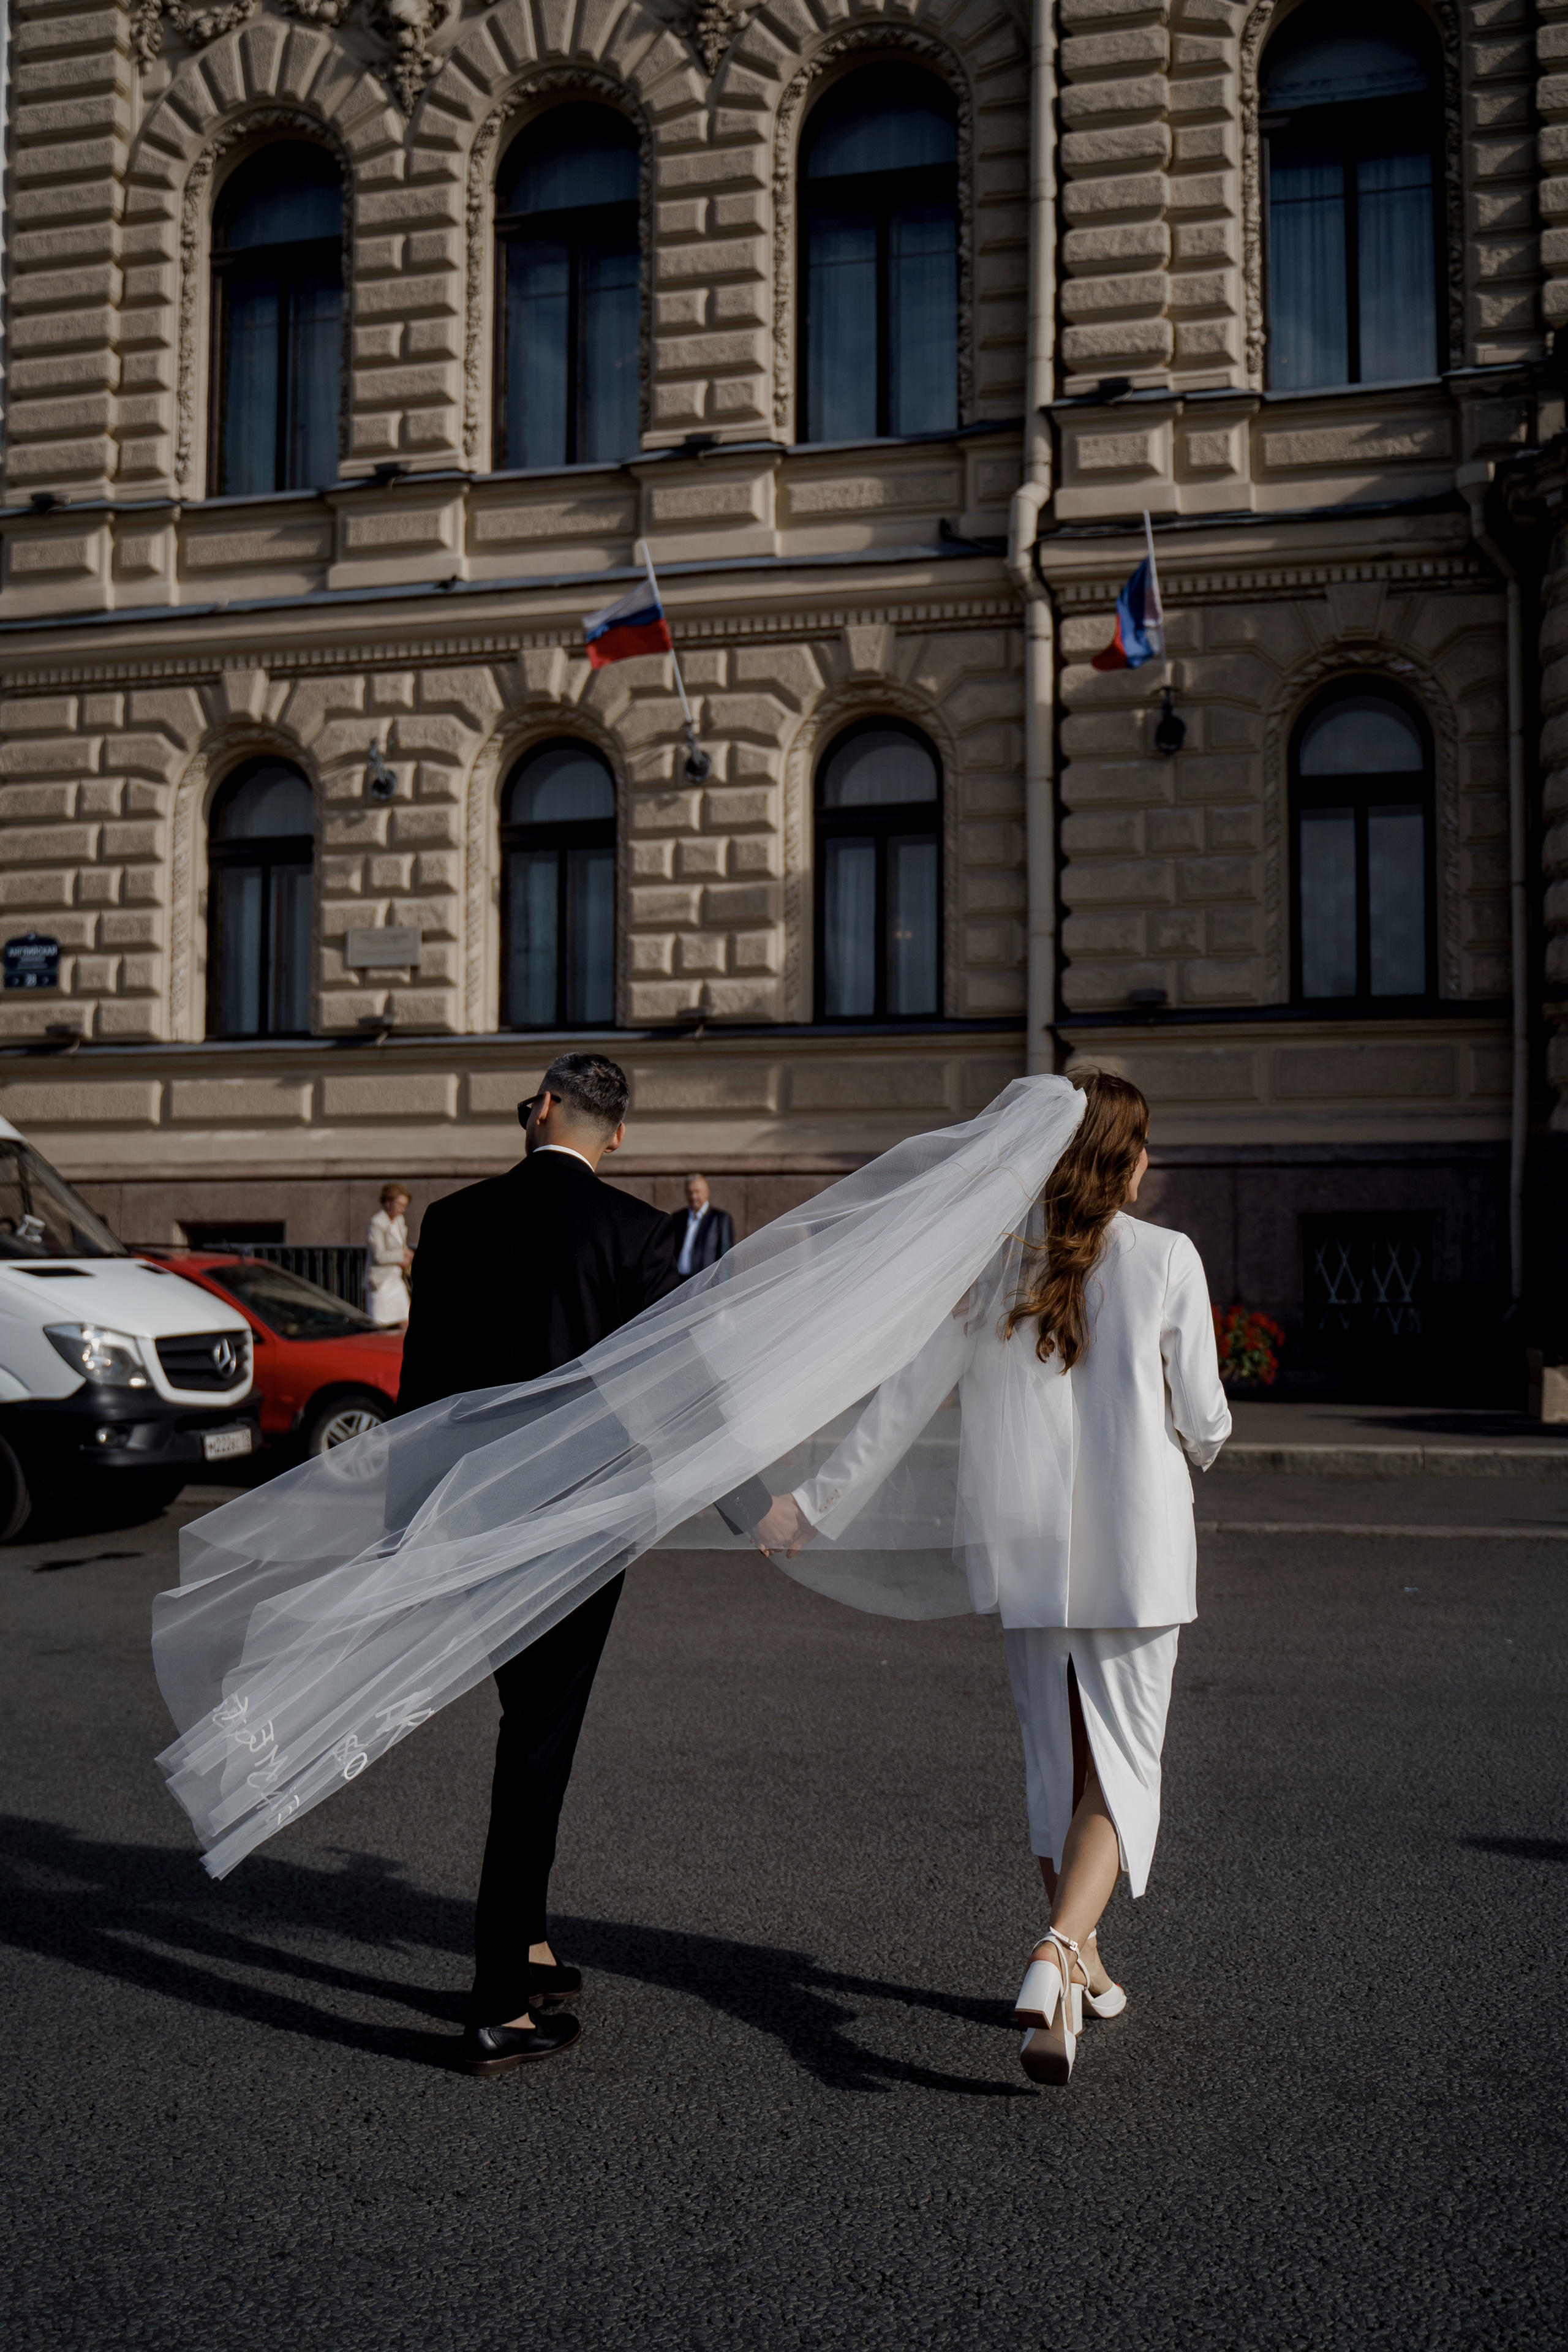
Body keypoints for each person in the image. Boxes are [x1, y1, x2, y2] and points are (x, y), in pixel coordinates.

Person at [751, 1071, 1231, 2088]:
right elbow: (1205, 1414)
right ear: (1122, 1159)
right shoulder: (1166, 1258)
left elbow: (902, 1400)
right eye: (1142, 1145)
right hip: (1138, 1559)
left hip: (1029, 1559)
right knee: (1122, 1773)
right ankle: (1058, 1953)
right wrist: (1193, 1436)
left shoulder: (994, 1271)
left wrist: (816, 1503)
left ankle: (1074, 1983)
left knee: (1054, 1768)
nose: (1150, 1162)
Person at [396, 1053, 680, 2077]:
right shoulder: (639, 1233)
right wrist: (758, 1500)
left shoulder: (457, 1219)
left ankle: (525, 1941)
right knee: (537, 1747)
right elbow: (679, 1388)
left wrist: (402, 1529)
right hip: (583, 1524)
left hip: (475, 1518)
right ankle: (495, 2007)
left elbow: (422, 1385)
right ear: (619, 1137)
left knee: (531, 1733)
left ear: (547, 1107)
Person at [669, 1173, 734, 1281]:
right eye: (690, 1192)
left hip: (705, 1284)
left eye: (697, 1192)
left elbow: (726, 1258)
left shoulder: (720, 1219)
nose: (694, 1197)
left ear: (707, 1192)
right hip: (678, 1283)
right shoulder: (677, 1218)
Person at [364, 1185, 413, 1327]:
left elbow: (400, 1245)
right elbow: (378, 1256)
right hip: (381, 1282)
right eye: (399, 1204)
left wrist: (406, 1254)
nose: (402, 1209)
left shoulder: (399, 1221)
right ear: (388, 1202)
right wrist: (401, 1256)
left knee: (406, 1320)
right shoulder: (377, 1223)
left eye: (405, 1206)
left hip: (395, 1279)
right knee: (380, 1324)